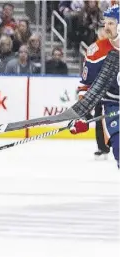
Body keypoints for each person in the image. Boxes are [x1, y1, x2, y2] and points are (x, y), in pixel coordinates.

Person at [70, 5, 119, 164]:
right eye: (105, 23)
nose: (106, 28)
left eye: (111, 23)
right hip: (109, 103)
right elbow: (85, 85)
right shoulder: (96, 51)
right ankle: (104, 146)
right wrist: (82, 114)